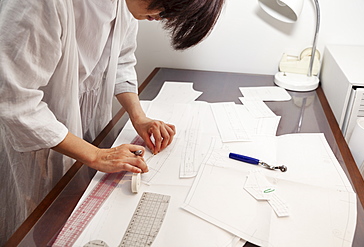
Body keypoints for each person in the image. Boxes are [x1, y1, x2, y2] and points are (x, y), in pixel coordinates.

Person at [0, 0, 225, 244]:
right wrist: (96, 156)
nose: (163, 18)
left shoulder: (124, 4)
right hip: (31, 134)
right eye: (166, 9)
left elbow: (120, 61)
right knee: (30, 224)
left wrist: (138, 116)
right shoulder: (39, 4)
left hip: (79, 130)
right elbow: (15, 101)